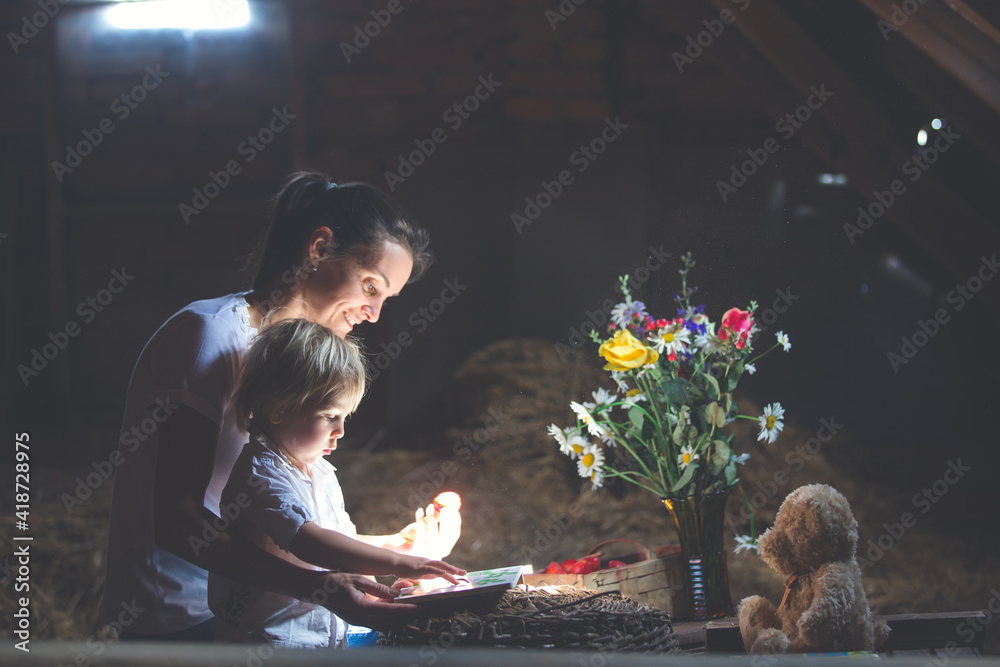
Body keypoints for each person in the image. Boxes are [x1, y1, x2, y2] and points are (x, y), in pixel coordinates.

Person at [99, 173, 459, 640]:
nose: (375, 314)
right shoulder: (209, 338)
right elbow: (177, 519)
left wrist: (392, 546)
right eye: (371, 287)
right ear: (319, 249)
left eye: (386, 299)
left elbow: (282, 522)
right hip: (184, 621)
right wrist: (321, 587)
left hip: (268, 611)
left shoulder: (298, 363)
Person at [209, 318, 464, 648]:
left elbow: (336, 537)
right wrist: (403, 564)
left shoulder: (320, 470)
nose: (340, 431)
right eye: (330, 416)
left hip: (322, 640)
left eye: (345, 417)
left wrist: (393, 545)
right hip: (271, 645)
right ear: (278, 409)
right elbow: (309, 542)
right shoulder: (260, 475)